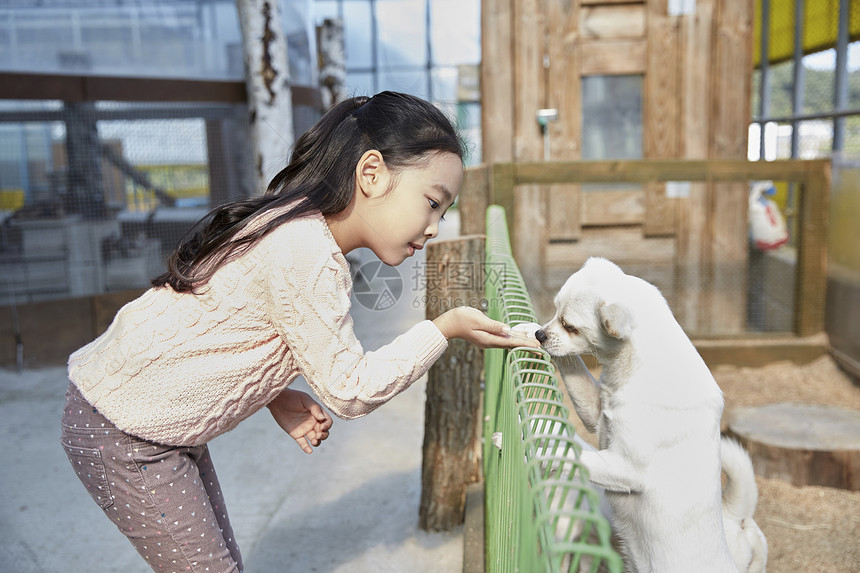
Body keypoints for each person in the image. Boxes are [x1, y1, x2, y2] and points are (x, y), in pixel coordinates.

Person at [60, 91, 539, 572]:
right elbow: (351, 390)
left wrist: (273, 392)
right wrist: (444, 328)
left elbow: (220, 325)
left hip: (144, 421)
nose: (435, 227)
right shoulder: (306, 252)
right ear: (371, 174)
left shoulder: (297, 229)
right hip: (124, 434)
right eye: (432, 203)